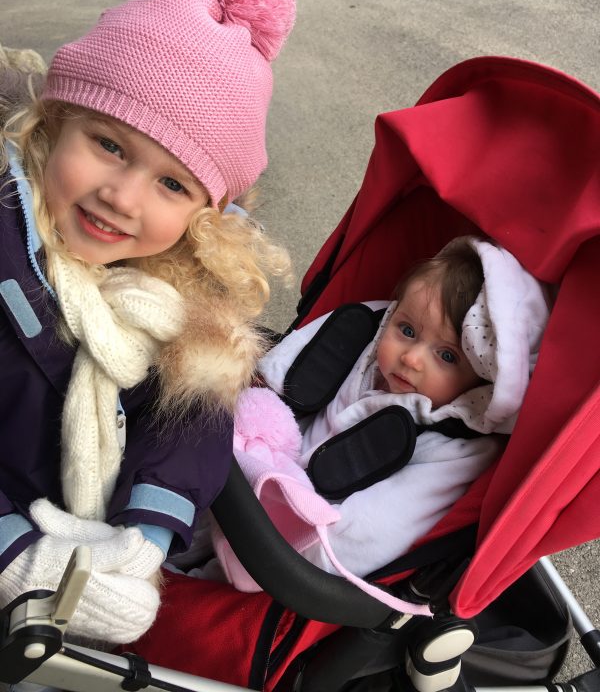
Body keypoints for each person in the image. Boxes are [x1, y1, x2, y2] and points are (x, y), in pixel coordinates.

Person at [0, 0, 296, 645]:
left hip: (80, 564)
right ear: (55, 120)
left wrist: (147, 533)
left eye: (172, 185)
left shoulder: (185, 289)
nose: (122, 197)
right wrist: (16, 556)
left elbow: (192, 416)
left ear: (204, 212)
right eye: (109, 144)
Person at [212, 236, 550, 614]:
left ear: (483, 383)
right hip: (240, 476)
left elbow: (365, 535)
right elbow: (271, 387)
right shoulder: (363, 344)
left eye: (447, 356)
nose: (412, 358)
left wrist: (263, 543)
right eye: (407, 331)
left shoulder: (452, 450)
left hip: (285, 551)